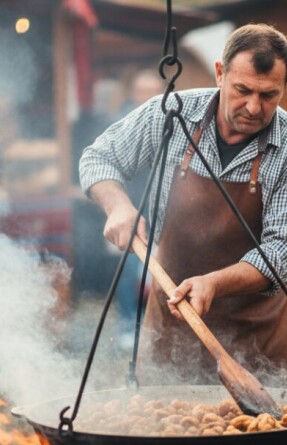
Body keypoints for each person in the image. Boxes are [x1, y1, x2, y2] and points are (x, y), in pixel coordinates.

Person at [79, 24, 287, 384]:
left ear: (285, 85)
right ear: (220, 73)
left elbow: (284, 252)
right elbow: (100, 157)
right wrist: (117, 205)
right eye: (242, 90)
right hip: (171, 326)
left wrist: (214, 283)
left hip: (254, 341)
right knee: (162, 432)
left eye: (269, 95)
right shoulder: (171, 116)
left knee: (256, 438)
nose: (254, 107)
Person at [113, 70, 165, 350]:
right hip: (130, 208)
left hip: (161, 209)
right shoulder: (123, 124)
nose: (148, 97)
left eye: (153, 92)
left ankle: (153, 327)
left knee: (157, 270)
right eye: (143, 91)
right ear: (134, 93)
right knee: (129, 267)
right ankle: (126, 324)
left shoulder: (169, 123)